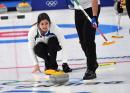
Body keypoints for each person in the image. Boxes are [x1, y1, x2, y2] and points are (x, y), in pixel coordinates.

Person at [68, 0, 101, 80]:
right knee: (82, 41)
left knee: (88, 40)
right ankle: (93, 62)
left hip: (91, 9)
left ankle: (91, 69)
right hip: (79, 9)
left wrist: (95, 17)